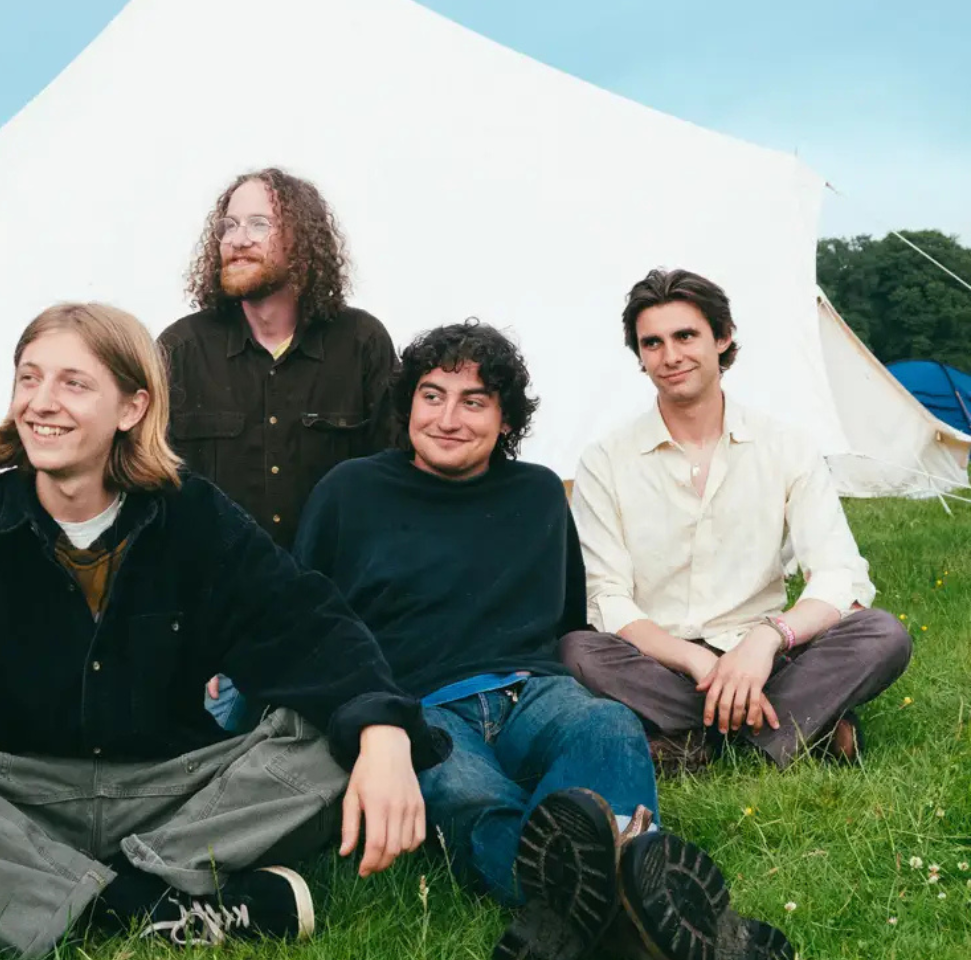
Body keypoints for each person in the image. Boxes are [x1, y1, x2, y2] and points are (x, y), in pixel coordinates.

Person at [0, 303, 449, 956]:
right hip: (12, 793)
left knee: (337, 741)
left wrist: (383, 734)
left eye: (73, 383)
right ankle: (158, 905)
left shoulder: (193, 517)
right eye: (29, 378)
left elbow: (307, 626)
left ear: (131, 407)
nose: (41, 402)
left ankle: (44, 898)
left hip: (171, 791)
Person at [295, 320, 792, 960]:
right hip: (418, 702)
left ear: (505, 421)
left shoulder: (537, 494)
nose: (448, 417)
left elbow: (565, 617)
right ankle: (668, 919)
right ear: (408, 404)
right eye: (432, 395)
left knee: (608, 726)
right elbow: (307, 616)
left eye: (473, 401)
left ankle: (573, 913)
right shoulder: (350, 491)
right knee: (474, 797)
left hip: (533, 692)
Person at [563, 269, 912, 772]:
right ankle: (790, 728)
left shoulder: (786, 446)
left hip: (764, 657)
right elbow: (606, 596)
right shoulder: (606, 459)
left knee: (883, 634)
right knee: (577, 650)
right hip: (660, 661)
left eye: (686, 336)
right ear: (639, 357)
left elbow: (838, 574)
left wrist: (768, 640)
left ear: (722, 338)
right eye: (653, 343)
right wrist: (693, 659)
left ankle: (694, 738)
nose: (671, 356)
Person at [160, 167, 398, 730]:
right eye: (228, 225)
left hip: (338, 621)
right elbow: (154, 501)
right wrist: (191, 637)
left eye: (259, 224)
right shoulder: (180, 349)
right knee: (202, 752)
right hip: (221, 630)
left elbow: (394, 495)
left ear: (304, 240)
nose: (237, 238)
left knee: (334, 747)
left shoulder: (362, 343)